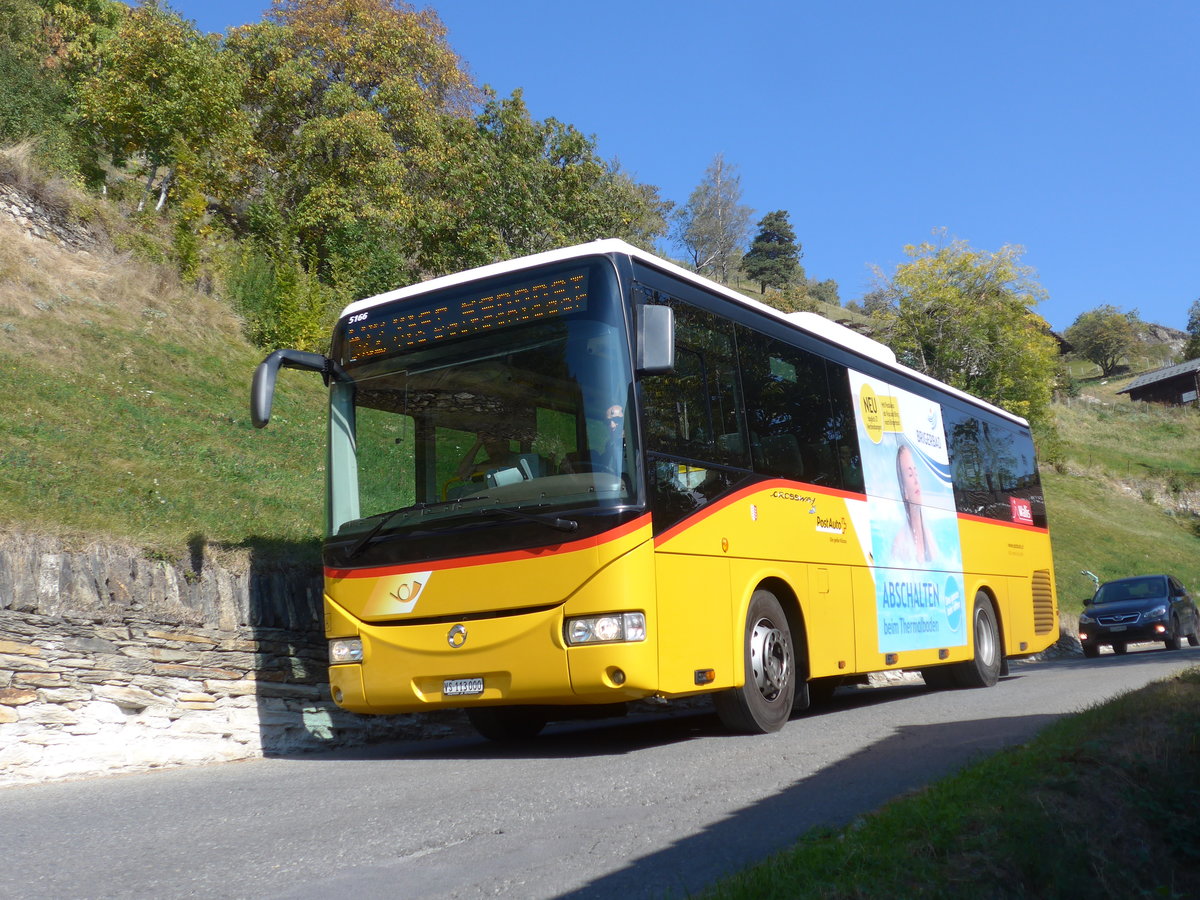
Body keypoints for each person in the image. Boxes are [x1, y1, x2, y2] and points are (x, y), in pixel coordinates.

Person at [891, 443, 938, 565]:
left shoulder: (930, 537)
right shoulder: (900, 543)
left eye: (916, 473)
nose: (916, 481)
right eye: (910, 475)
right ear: (905, 491)